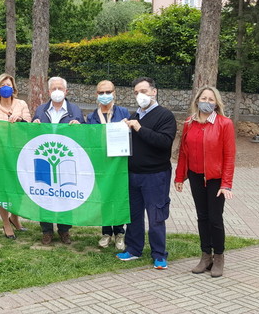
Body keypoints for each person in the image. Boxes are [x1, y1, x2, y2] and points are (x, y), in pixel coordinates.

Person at [174, 86, 235, 278]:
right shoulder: (189, 123)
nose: (206, 102)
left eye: (211, 99)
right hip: (195, 176)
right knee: (202, 216)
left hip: (215, 178)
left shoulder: (224, 124)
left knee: (215, 218)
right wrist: (179, 176)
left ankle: (218, 257)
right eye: (204, 98)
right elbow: (183, 151)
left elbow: (229, 156)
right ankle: (205, 255)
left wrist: (226, 183)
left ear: (216, 103)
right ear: (197, 100)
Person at [116, 77, 177, 270]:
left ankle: (159, 254)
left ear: (154, 91)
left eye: (143, 91)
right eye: (136, 93)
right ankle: (134, 249)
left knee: (156, 215)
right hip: (134, 174)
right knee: (134, 215)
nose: (140, 96)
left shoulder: (165, 116)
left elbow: (164, 142)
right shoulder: (135, 116)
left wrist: (139, 128)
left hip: (156, 175)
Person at [31, 76, 85, 245]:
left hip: (66, 160)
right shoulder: (41, 110)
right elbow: (32, 134)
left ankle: (64, 230)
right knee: (44, 194)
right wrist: (34, 124)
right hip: (45, 158)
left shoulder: (75, 110)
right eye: (53, 89)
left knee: (65, 194)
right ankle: (46, 230)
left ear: (66, 91)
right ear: (48, 92)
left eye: (60, 88)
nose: (57, 91)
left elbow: (84, 136)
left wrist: (79, 126)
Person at [0, 73, 32, 239]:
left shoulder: (22, 104)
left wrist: (20, 119)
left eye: (9, 85)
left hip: (19, 154)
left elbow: (29, 126)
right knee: (3, 190)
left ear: (14, 88)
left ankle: (15, 218)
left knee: (18, 189)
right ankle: (6, 223)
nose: (7, 88)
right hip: (0, 156)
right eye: (3, 85)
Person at [85, 80, 131, 250]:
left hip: (118, 164)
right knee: (104, 199)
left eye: (108, 92)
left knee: (117, 198)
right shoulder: (91, 117)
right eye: (101, 92)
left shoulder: (124, 112)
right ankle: (106, 232)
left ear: (114, 93)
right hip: (100, 165)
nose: (105, 95)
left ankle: (120, 233)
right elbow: (88, 139)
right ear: (96, 95)